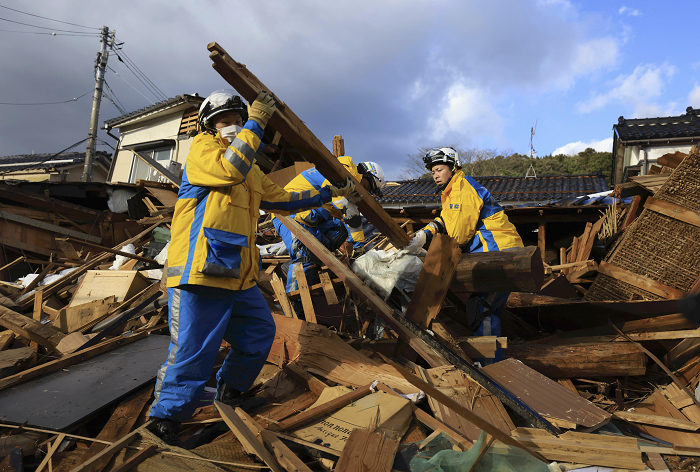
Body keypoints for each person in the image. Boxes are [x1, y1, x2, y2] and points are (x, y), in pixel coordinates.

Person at [149, 89, 356, 445]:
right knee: (192, 351)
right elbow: (229, 169)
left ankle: (230, 391)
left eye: (238, 120)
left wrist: (330, 193)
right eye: (225, 121)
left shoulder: (250, 171)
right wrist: (257, 120)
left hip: (237, 274)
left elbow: (283, 200)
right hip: (200, 271)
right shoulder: (204, 151)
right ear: (209, 126)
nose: (233, 126)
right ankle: (164, 418)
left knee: (259, 335)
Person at [403, 147, 523, 361]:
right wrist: (424, 234)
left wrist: (429, 252)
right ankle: (492, 362)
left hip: (498, 252)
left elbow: (458, 235)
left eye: (439, 169)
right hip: (499, 252)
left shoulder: (462, 187)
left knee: (481, 307)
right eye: (432, 172)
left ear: (453, 167)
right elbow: (445, 221)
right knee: (485, 307)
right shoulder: (451, 193)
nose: (435, 175)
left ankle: (489, 366)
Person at [272, 158, 385, 292]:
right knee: (305, 255)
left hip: (310, 218)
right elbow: (344, 204)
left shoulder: (349, 184)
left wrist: (356, 244)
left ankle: (300, 261)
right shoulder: (340, 172)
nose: (364, 192)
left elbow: (350, 213)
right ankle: (297, 302)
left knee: (339, 230)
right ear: (365, 174)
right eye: (366, 187)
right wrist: (357, 244)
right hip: (289, 214)